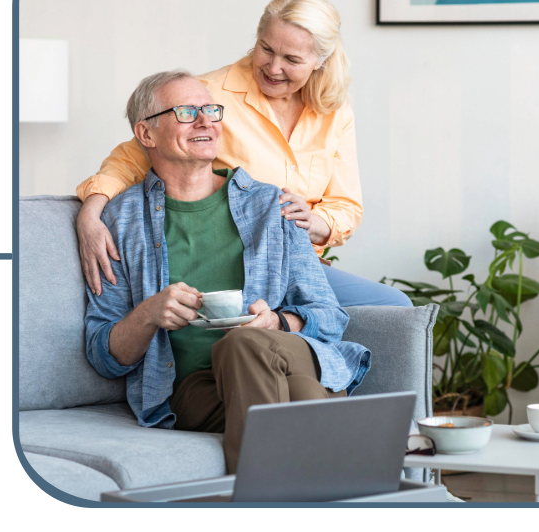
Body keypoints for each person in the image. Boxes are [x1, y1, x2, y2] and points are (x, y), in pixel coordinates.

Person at [83, 70, 370, 473]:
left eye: (211, 110)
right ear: (146, 134)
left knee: (244, 346)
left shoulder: (274, 206)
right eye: (186, 112)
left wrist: (276, 321)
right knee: (299, 389)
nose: (206, 121)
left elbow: (328, 315)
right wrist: (149, 314)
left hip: (284, 357)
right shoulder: (120, 221)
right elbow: (104, 355)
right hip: (195, 389)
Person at [75, 0, 409, 308]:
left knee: (395, 307)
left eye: (291, 59)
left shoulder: (334, 110)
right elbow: (130, 157)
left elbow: (345, 205)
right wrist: (90, 215)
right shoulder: (207, 96)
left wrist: (313, 221)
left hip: (299, 262)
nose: (273, 67)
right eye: (266, 49)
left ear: (320, 61)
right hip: (237, 260)